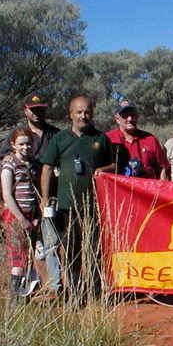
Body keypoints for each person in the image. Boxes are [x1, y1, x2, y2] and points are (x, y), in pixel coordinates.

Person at [40, 95, 116, 303]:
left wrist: (103, 169)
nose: (84, 116)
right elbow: (47, 168)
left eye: (87, 112)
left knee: (93, 249)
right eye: (79, 112)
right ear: (70, 114)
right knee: (71, 249)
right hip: (67, 206)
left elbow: (115, 165)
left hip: (94, 205)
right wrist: (45, 197)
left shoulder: (100, 139)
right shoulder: (60, 139)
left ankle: (95, 291)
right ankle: (75, 293)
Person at [0, 94, 61, 294]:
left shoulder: (54, 134)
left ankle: (54, 286)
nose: (37, 113)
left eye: (41, 109)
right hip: (20, 210)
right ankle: (18, 296)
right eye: (33, 109)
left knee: (49, 246)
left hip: (46, 202)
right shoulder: (15, 139)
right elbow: (6, 180)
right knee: (21, 254)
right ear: (26, 110)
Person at [0, 128, 40, 297]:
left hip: (31, 217)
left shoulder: (32, 165)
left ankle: (26, 296)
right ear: (13, 145)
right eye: (21, 144)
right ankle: (15, 299)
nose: (25, 147)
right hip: (15, 218)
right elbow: (7, 195)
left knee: (29, 256)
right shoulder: (9, 164)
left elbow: (36, 192)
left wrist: (36, 217)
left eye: (28, 143)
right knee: (18, 258)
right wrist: (21, 218)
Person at [105, 101, 169, 179]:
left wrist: (161, 188)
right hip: (119, 189)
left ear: (137, 117)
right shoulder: (108, 139)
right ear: (117, 119)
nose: (130, 119)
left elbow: (162, 168)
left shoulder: (150, 139)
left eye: (133, 115)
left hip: (146, 189)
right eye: (125, 115)